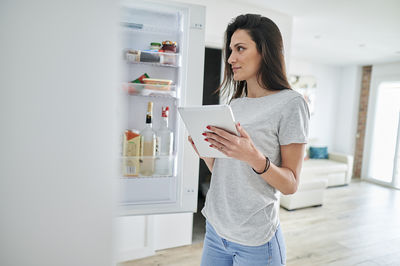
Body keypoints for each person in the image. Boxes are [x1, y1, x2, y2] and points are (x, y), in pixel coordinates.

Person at [188, 14, 310, 266]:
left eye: (240, 49)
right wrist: (208, 153)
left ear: (265, 52)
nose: (231, 58)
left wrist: (253, 156)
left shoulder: (291, 104)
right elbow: (229, 172)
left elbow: (291, 185)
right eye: (231, 50)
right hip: (216, 230)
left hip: (256, 240)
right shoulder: (235, 104)